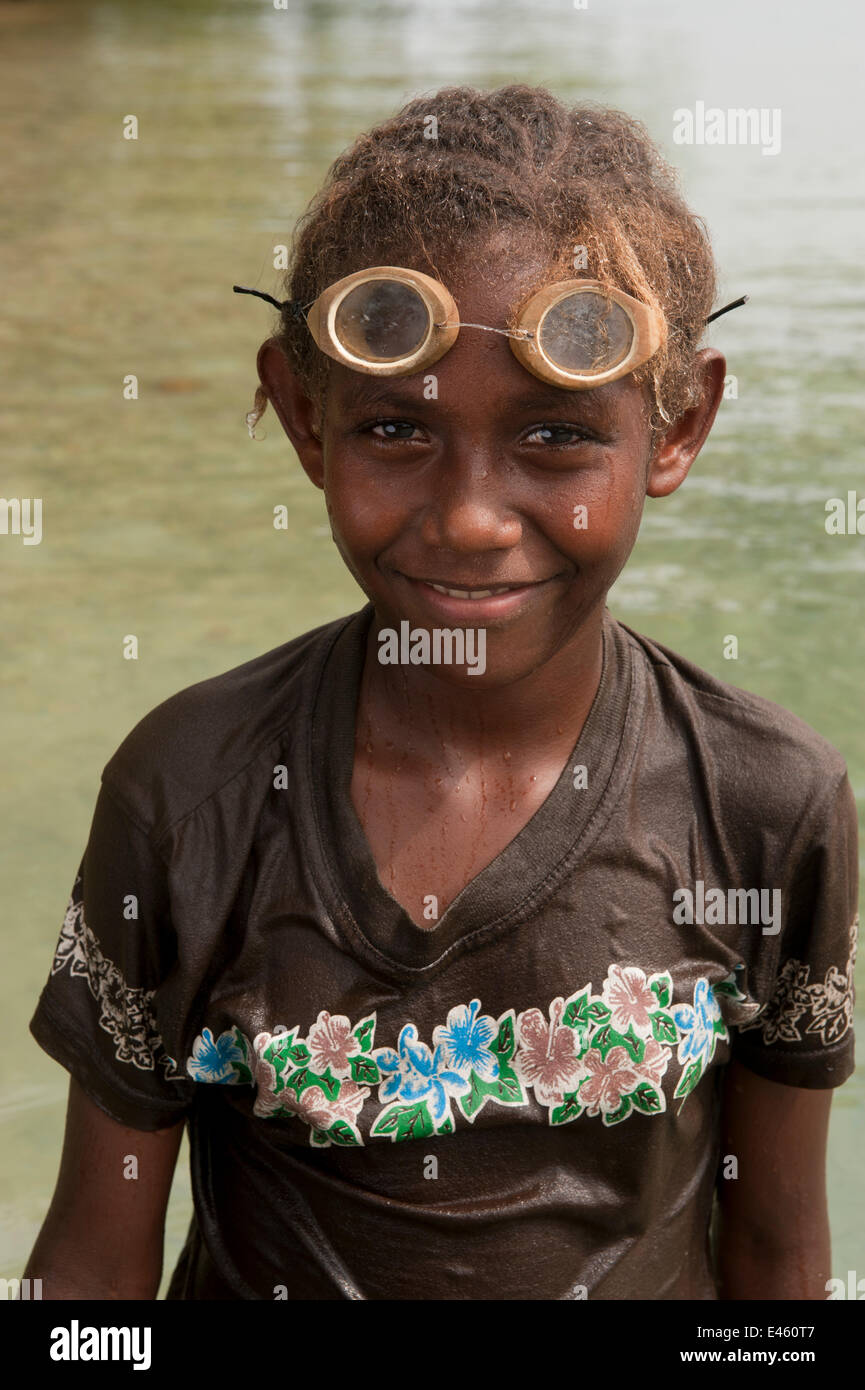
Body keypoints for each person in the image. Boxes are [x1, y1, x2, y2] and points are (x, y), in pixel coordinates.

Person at [25, 85, 857, 1301]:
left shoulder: (767, 804)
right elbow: (91, 1278)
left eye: (557, 438)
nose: (470, 517)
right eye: (396, 430)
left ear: (676, 426)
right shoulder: (193, 790)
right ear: (307, 418)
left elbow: (778, 1262)